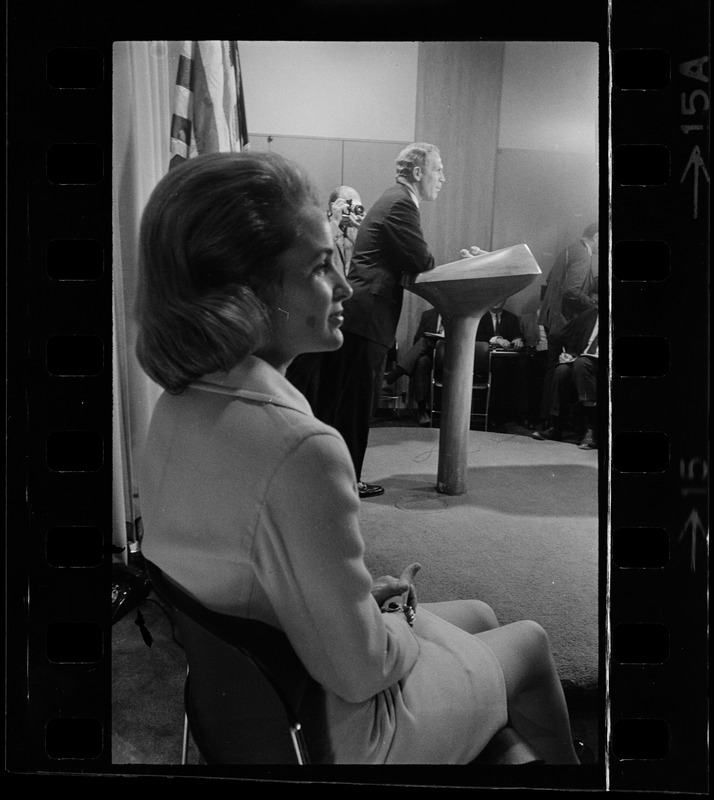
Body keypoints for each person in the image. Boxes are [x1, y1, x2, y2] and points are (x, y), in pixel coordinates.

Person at [134, 150, 581, 764]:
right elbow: (362, 672)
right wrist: (392, 619)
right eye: (321, 267)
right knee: (528, 641)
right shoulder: (301, 449)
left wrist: (363, 600)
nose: (345, 283)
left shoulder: (173, 408)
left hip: (244, 707)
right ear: (247, 294)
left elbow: (251, 579)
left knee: (478, 609)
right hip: (340, 734)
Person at [312, 143, 445, 499]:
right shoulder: (401, 203)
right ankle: (344, 483)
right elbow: (422, 259)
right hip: (367, 317)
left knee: (349, 404)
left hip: (363, 317)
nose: (442, 179)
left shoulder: (393, 199)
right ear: (418, 172)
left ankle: (336, 478)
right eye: (438, 170)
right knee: (355, 406)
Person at [286, 185, 365, 409]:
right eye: (346, 204)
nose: (351, 210)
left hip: (346, 319)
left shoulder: (359, 236)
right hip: (317, 316)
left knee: (334, 390)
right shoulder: (322, 229)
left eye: (356, 205)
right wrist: (334, 223)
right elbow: (319, 260)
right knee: (308, 380)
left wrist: (362, 228)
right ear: (332, 207)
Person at [537, 223, 599, 423]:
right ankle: (550, 422)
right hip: (563, 322)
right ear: (597, 237)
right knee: (557, 370)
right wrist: (594, 306)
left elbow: (551, 281)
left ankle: (547, 421)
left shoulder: (568, 250)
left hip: (551, 318)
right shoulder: (582, 255)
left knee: (552, 370)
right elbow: (571, 292)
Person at [532, 305, 599, 449]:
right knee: (562, 371)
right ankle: (555, 427)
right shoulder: (590, 314)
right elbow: (572, 341)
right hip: (582, 361)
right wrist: (569, 354)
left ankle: (591, 431)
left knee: (582, 364)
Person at [383, 305, 443, 425]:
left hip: (452, 355)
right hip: (431, 355)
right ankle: (422, 411)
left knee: (425, 341)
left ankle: (392, 377)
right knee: (421, 361)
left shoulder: (457, 314)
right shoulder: (428, 315)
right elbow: (417, 341)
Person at [476, 302, 528, 430]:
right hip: (485, 361)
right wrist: (496, 339)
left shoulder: (511, 318)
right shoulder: (479, 316)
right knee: (498, 367)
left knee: (524, 365)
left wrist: (518, 339)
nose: (496, 302)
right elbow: (477, 337)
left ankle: (521, 415)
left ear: (505, 300)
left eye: (501, 299)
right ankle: (494, 416)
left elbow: (518, 335)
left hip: (507, 360)